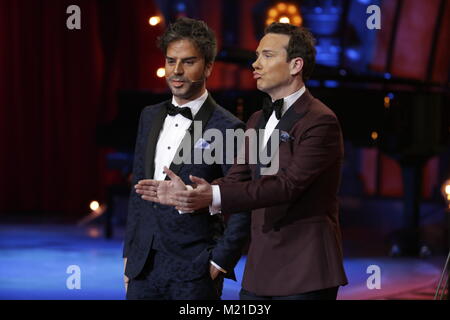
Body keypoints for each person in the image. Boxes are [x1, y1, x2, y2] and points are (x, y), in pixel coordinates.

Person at [140, 22, 348, 300]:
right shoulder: (256, 120)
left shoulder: (320, 120)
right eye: (257, 55)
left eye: (267, 56)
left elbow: (287, 185)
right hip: (260, 271)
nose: (256, 64)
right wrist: (191, 195)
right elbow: (237, 180)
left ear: (296, 65)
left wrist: (212, 194)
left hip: (306, 269)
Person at [123, 17, 250, 300]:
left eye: (188, 62)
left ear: (208, 67)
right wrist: (129, 255)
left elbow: (244, 201)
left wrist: (219, 262)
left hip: (194, 270)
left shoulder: (229, 127)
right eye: (171, 61)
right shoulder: (149, 115)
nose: (176, 71)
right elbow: (138, 191)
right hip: (142, 267)